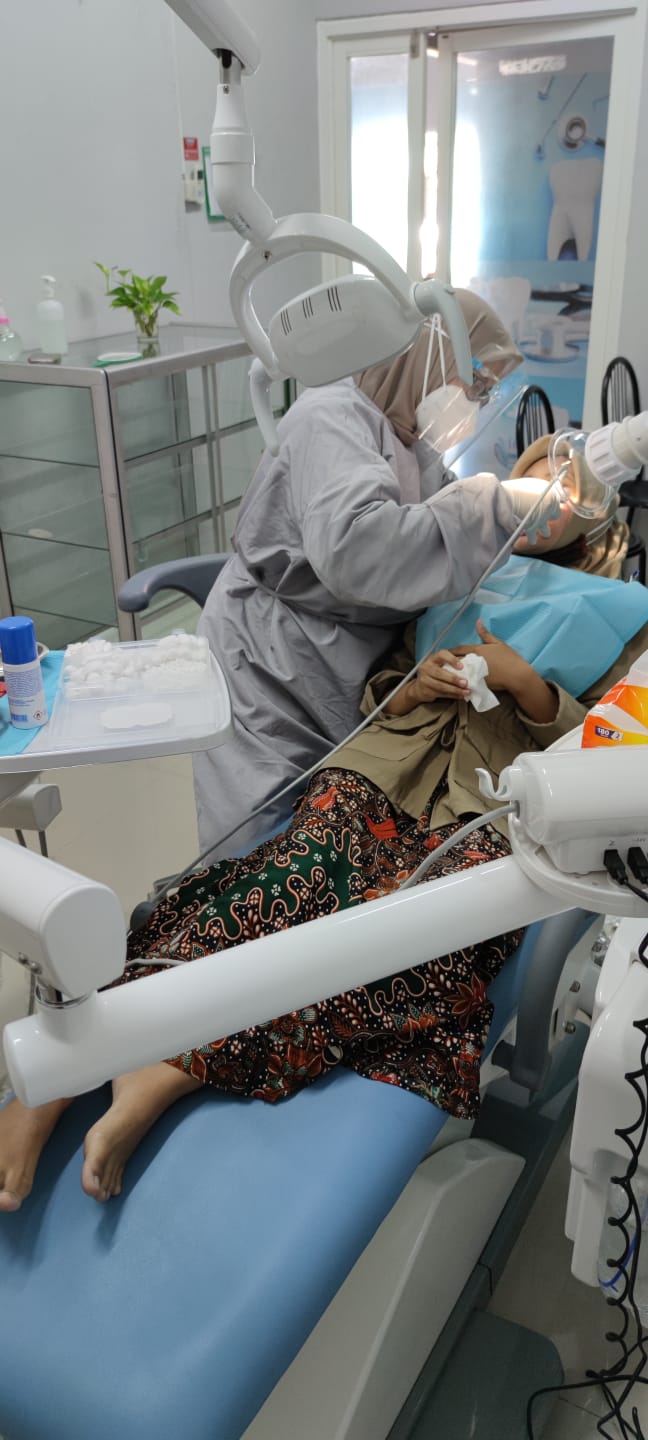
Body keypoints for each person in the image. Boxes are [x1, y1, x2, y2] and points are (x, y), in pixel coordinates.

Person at [2, 458, 647, 1213]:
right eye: (525, 484)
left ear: (587, 518)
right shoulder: (459, 572)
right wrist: (416, 683)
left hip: (496, 807)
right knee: (287, 877)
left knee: (424, 940)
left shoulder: (624, 617)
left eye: (554, 494)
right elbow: (383, 691)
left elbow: (610, 746)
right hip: (384, 767)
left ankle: (169, 1067)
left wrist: (527, 685)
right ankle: (67, 1068)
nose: (533, 505)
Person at [194, 290, 524, 857]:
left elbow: (436, 530)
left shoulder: (407, 436)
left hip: (338, 659)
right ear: (430, 355)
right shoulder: (331, 417)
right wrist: (491, 506)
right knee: (254, 847)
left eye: (486, 391)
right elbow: (358, 550)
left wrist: (505, 517)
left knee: (323, 830)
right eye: (475, 382)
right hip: (270, 660)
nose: (475, 401)